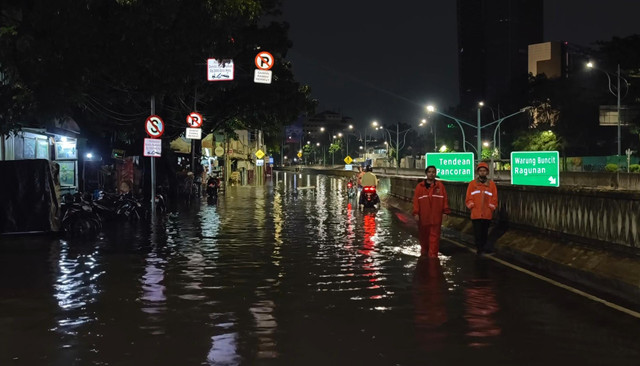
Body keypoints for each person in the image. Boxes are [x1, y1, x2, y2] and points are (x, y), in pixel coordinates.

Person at [412, 165, 450, 258]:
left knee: (435, 236)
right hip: (423, 216)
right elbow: (416, 201)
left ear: (435, 173)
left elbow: (445, 199)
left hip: (435, 216)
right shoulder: (420, 187)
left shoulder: (440, 186)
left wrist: (445, 211)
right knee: (423, 236)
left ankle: (433, 255)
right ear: (426, 173)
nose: (431, 174)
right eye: (429, 172)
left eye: (433, 172)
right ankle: (424, 251)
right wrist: (416, 213)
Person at [465, 162, 498, 255]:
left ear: (487, 172)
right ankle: (480, 249)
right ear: (478, 172)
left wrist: (491, 208)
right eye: (480, 171)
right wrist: (472, 207)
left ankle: (482, 248)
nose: (482, 172)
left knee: (484, 232)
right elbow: (468, 198)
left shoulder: (491, 185)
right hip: (476, 213)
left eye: (484, 171)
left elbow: (494, 198)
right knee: (477, 233)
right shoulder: (472, 184)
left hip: (487, 214)